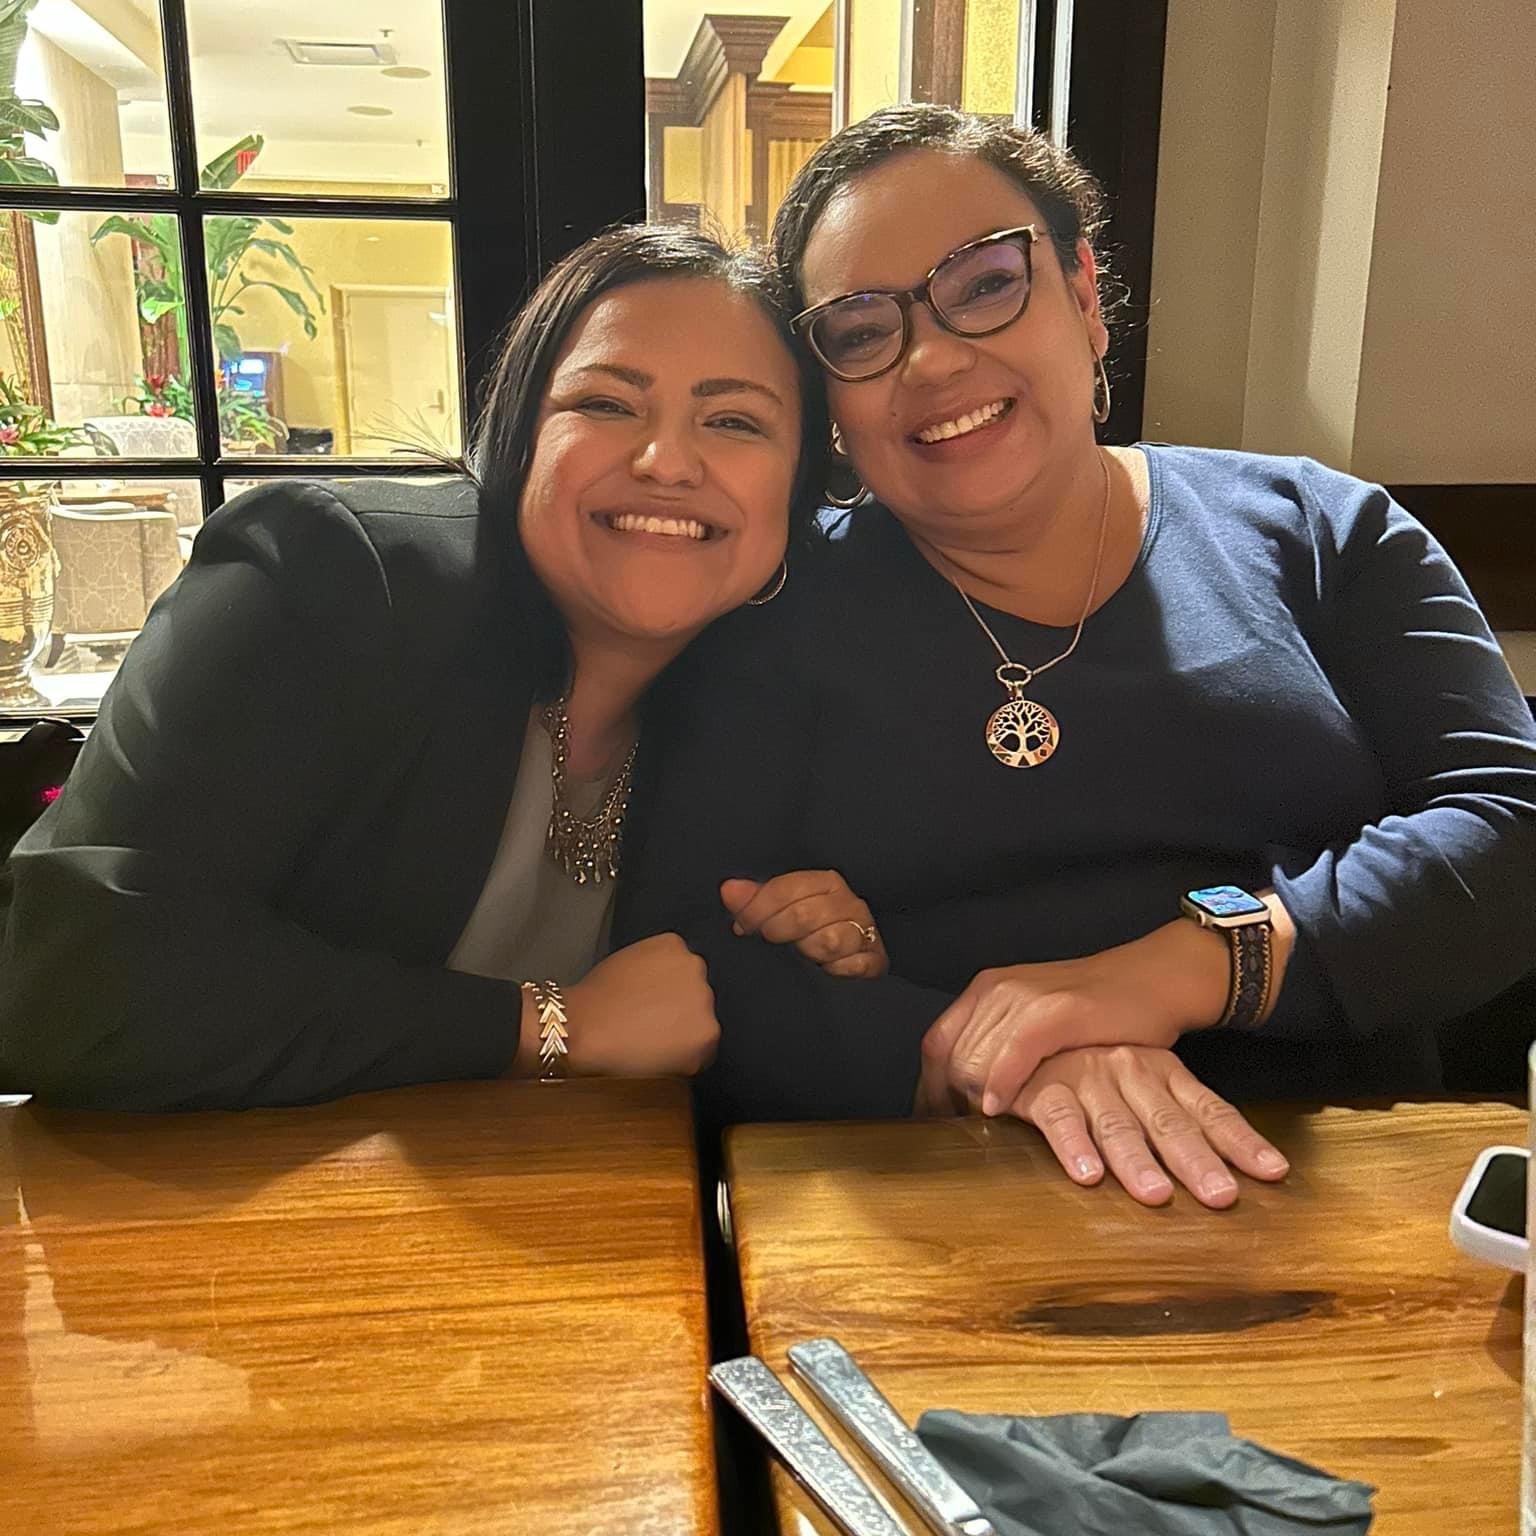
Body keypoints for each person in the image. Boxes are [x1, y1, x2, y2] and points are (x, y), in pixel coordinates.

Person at [618, 105, 1536, 1206]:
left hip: (1352, 1184)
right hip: (940, 1195)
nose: (933, 358)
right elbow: (683, 950)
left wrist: (1186, 968)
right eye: (860, 332)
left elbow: (1512, 826)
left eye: (984, 284)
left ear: (1085, 295)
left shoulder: (1323, 531)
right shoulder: (769, 607)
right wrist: (980, 1056)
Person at [0, 225, 889, 1111]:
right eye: (607, 404)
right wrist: (549, 1026)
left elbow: (693, 1017)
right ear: (521, 434)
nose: (666, 463)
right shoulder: (334, 581)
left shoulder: (754, 698)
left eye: (734, 422)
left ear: (798, 490)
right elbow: (74, 985)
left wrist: (819, 945)